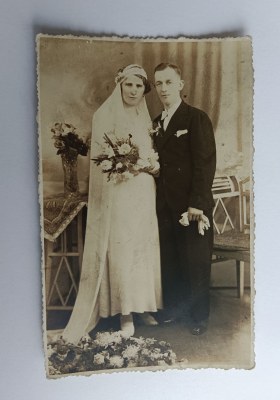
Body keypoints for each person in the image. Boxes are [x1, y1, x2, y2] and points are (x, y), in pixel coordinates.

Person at [62, 64, 162, 344]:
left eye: (139, 86)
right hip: (119, 193)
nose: (133, 91)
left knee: (143, 246)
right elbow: (102, 161)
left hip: (144, 191)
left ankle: (143, 306)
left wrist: (151, 166)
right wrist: (123, 165)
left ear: (144, 89)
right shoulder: (104, 115)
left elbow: (151, 153)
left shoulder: (145, 117)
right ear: (120, 85)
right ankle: (124, 313)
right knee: (123, 247)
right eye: (129, 85)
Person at [153, 63, 216, 335]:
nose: (163, 88)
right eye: (159, 84)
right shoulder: (156, 122)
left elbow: (205, 164)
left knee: (195, 260)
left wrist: (197, 203)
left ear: (181, 84)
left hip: (191, 204)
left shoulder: (195, 118)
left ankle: (198, 317)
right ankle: (177, 310)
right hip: (165, 203)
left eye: (169, 82)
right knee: (171, 259)